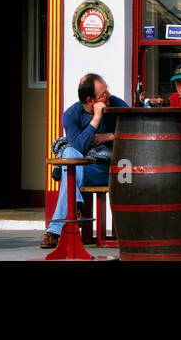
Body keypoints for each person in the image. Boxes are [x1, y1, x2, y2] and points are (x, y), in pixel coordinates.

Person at [39, 73, 129, 249]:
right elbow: (79, 147)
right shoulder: (70, 115)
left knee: (68, 171)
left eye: (107, 90)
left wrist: (108, 137)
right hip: (81, 170)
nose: (108, 95)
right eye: (103, 94)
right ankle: (76, 204)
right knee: (71, 154)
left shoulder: (116, 104)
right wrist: (96, 120)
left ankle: (54, 231)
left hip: (107, 170)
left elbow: (135, 129)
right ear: (90, 100)